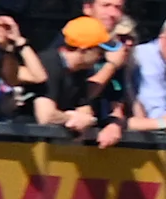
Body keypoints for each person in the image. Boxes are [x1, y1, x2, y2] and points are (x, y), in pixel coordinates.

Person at [35, 16, 131, 145]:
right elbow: (45, 116)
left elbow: (85, 110)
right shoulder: (49, 63)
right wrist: (71, 118)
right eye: (100, 52)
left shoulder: (79, 71)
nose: (101, 57)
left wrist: (84, 119)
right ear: (84, 50)